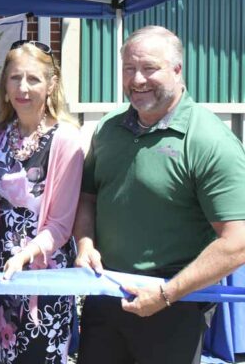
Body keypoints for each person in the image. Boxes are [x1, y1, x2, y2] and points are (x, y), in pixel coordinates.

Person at [73, 26, 245, 364]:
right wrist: (85, 243)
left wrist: (167, 294)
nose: (137, 79)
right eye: (129, 68)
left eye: (149, 68)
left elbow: (237, 242)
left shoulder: (209, 140)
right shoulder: (108, 128)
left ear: (177, 70)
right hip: (105, 293)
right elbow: (88, 198)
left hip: (174, 303)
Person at [0, 40, 84, 363]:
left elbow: (60, 225)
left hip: (42, 278)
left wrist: (24, 256)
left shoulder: (66, 139)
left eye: (33, 79)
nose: (22, 88)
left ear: (51, 85)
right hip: (1, 276)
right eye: (15, 78)